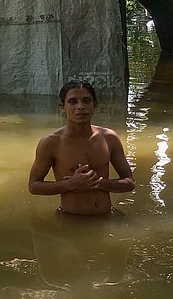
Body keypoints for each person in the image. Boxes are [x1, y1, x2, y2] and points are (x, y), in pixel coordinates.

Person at [28, 80, 134, 216]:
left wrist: (99, 183)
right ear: (62, 107)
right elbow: (33, 185)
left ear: (95, 105)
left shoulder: (109, 137)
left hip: (106, 215)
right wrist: (70, 184)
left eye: (86, 101)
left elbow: (129, 182)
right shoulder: (51, 142)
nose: (80, 106)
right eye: (72, 101)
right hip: (70, 220)